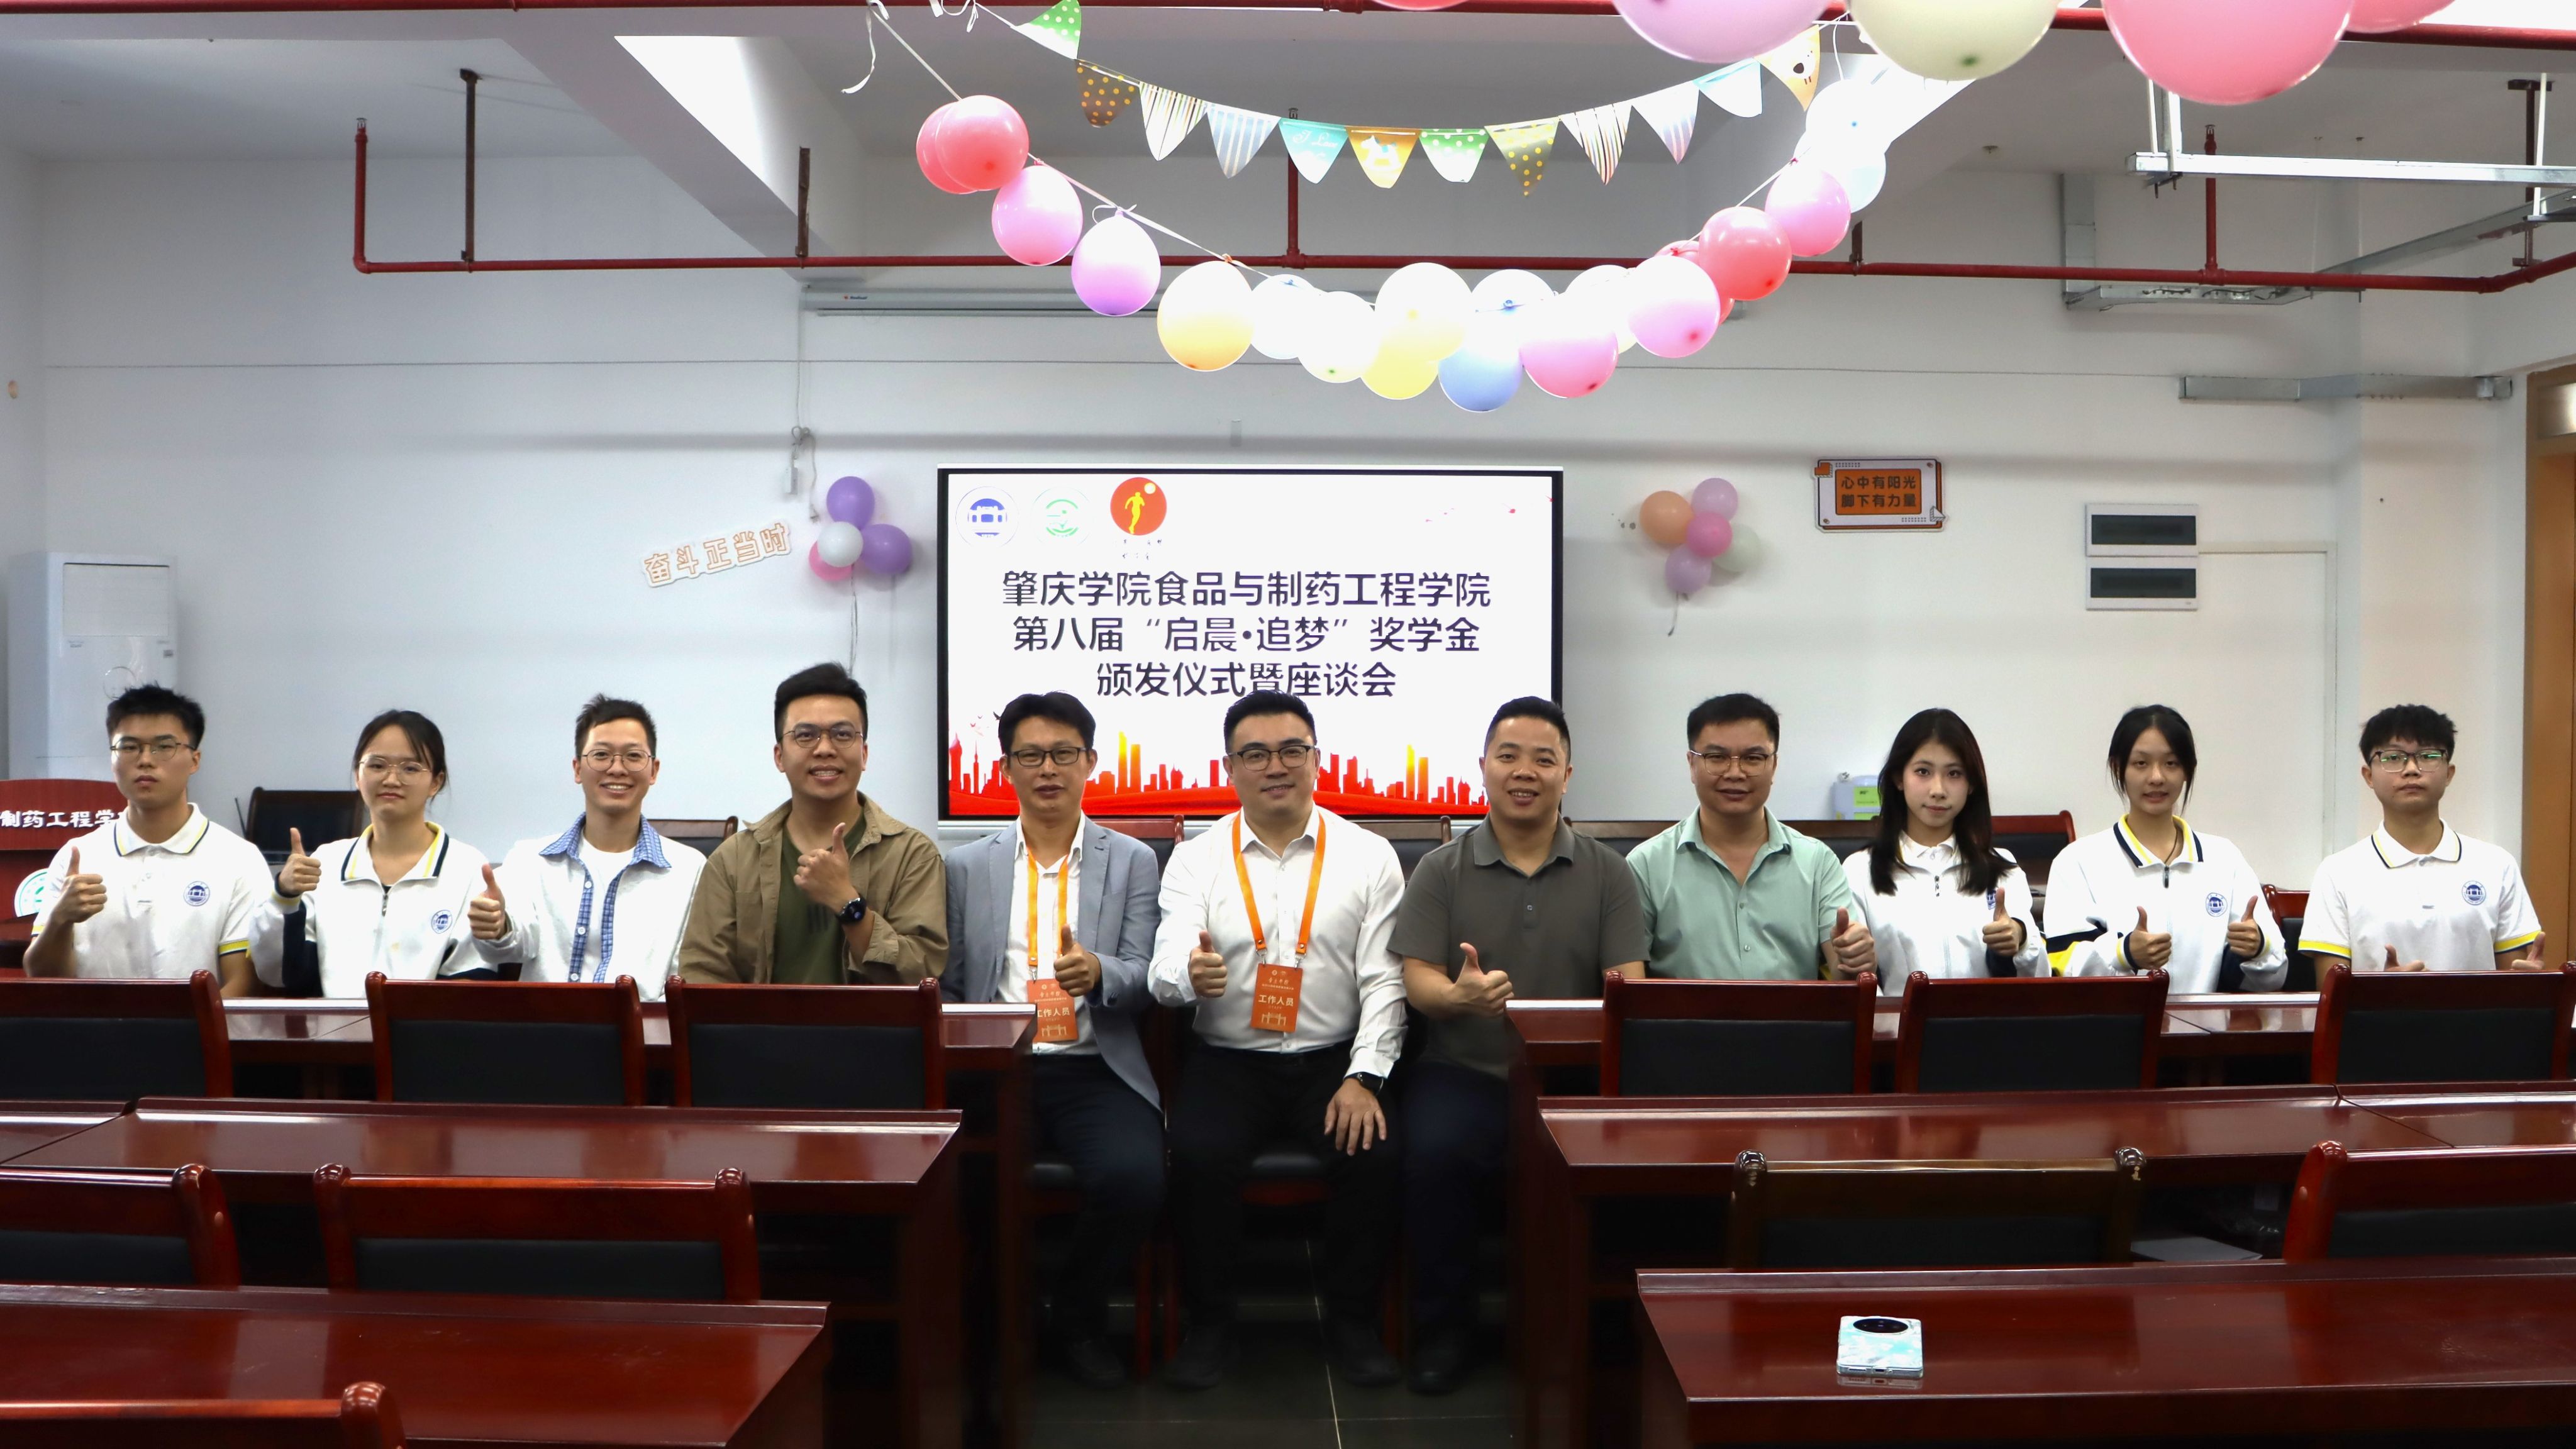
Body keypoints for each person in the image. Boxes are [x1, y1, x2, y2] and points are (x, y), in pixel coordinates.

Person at [1150, 691, 1406, 1391]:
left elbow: (1384, 980)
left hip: (1334, 1060)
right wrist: (1189, 975)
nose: (1276, 766)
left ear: (1317, 760)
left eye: (1292, 750)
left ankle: (1353, 1322)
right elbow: (1165, 966)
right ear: (1229, 768)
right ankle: (1210, 1325)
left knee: (1373, 1152)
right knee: (1198, 1154)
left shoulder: (1369, 855)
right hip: (1228, 1060)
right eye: (1255, 753)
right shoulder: (1196, 859)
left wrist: (1366, 1077)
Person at [1394, 696, 1644, 1394]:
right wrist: (1459, 998)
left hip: (1574, 1076)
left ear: (1568, 774)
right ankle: (1445, 1331)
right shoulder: (1441, 869)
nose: (1524, 772)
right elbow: (1417, 979)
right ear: (1483, 767)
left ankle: (1576, 1328)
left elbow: (1629, 985)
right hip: (1464, 1066)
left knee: (1605, 1160)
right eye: (1508, 756)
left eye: (1543, 758)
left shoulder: (1608, 872)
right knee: (1433, 1154)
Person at [941, 692, 1163, 1390]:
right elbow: (950, 984)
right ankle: (991, 1323)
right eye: (1031, 755)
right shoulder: (966, 865)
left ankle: (1077, 1316)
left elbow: (1144, 974)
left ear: (1090, 762)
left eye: (1064, 754)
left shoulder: (1131, 860)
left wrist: (1099, 973)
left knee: (1134, 1177)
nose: (1048, 769)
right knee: (960, 1180)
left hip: (1093, 1064)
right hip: (995, 1065)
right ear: (1005, 767)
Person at [677, 663, 947, 985]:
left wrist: (849, 905)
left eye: (842, 734)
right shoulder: (733, 860)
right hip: (759, 1021)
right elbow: (703, 976)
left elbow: (923, 974)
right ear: (779, 756)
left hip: (873, 1022)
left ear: (864, 754)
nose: (825, 749)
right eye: (805, 735)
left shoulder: (912, 855)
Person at [25, 685, 272, 996]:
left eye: (163, 747)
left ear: (195, 760)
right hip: (93, 1027)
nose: (145, 760)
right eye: (129, 747)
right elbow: (42, 977)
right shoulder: (78, 856)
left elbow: (243, 984)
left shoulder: (239, 859)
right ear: (112, 758)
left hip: (194, 1028)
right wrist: (60, 920)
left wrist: (180, 1028)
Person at [469, 696, 706, 999]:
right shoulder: (530, 860)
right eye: (601, 755)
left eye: (633, 756)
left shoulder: (690, 870)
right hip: (546, 1024)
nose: (617, 768)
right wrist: (498, 926)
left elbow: (684, 978)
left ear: (653, 771)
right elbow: (510, 947)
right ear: (578, 768)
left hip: (643, 1027)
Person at [1626, 693, 1876, 980]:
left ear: (1774, 766)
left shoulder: (1818, 863)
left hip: (1794, 1013)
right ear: (1692, 765)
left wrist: (1856, 959)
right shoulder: (1646, 865)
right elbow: (1631, 983)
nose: (1735, 773)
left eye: (1753, 758)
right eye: (1717, 758)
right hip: (1683, 1013)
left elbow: (1846, 977)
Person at [252, 709, 499, 997]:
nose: (391, 779)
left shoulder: (465, 868)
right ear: (358, 775)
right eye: (377, 765)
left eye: (410, 768)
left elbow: (470, 979)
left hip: (424, 1025)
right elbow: (278, 974)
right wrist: (284, 895)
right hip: (335, 1025)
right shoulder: (325, 863)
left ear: (436, 782)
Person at [2043, 704, 2285, 992]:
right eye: (2141, 763)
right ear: (2118, 767)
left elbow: (2275, 975)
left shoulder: (2224, 858)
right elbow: (2059, 966)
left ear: (2188, 770)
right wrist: (2124, 953)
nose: (2157, 777)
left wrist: (2256, 950)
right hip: (2118, 1021)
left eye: (2171, 763)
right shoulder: (2079, 861)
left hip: (2206, 1021)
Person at [2301, 704, 2546, 974]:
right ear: (2368, 776)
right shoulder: (2338, 872)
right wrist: (2382, 991)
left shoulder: (2496, 865)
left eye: (2428, 756)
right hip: (2378, 1006)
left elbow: (2513, 979)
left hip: (2477, 1006)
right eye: (2393, 758)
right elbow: (2329, 988)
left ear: (2449, 773)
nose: (2411, 769)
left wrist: (2529, 984)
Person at [1841, 709, 2044, 992]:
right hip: (1897, 1021)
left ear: (1971, 784)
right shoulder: (1860, 871)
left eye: (1954, 774)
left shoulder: (2002, 868)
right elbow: (1858, 988)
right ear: (1899, 778)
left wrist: (2019, 939)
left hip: (1986, 1019)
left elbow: (2040, 980)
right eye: (1923, 772)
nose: (1938, 789)